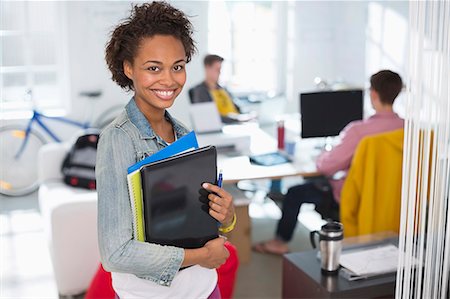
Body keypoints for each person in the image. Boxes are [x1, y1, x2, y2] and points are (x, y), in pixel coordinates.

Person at [96, 2, 235, 298]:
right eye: (153, 68)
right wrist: (201, 257)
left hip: (204, 289)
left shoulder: (183, 133)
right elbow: (115, 254)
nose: (169, 80)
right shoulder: (117, 140)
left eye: (178, 67)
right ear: (128, 68)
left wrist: (226, 216)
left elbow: (195, 225)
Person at [253, 70, 404, 255]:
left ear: (373, 93)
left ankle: (279, 241)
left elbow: (324, 167)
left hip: (355, 196)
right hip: (394, 196)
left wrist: (325, 152)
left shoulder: (358, 131)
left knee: (295, 192)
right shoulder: (406, 129)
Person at [189, 55, 242, 121]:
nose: (220, 72)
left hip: (237, 122)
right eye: (217, 69)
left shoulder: (223, 89)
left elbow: (237, 108)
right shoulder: (199, 91)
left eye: (220, 69)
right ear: (207, 68)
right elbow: (208, 117)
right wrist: (235, 119)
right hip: (225, 125)